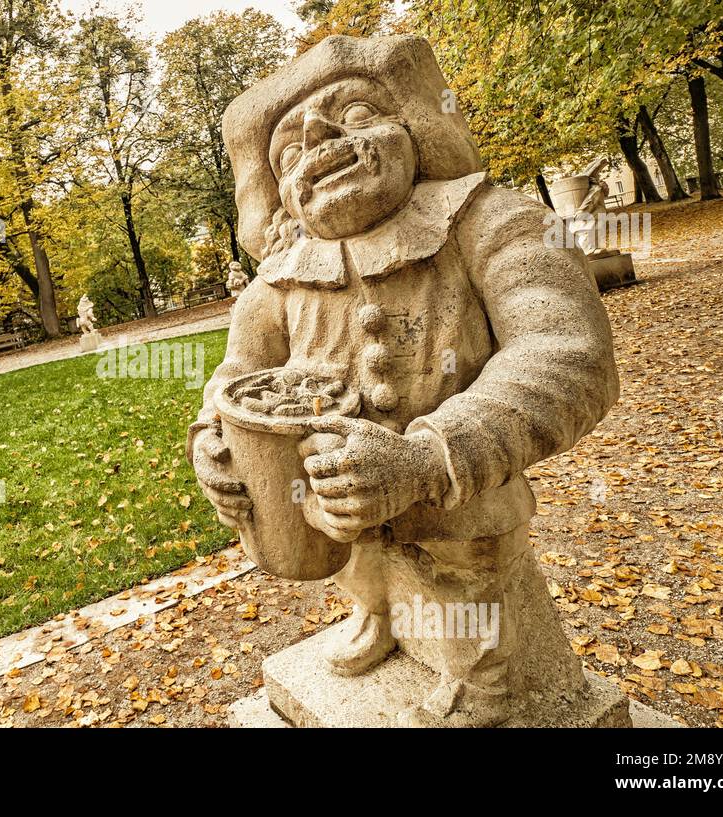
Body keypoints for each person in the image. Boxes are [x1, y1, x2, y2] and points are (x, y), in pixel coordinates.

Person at [188, 35, 618, 726]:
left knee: (465, 570)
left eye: (355, 113)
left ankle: (485, 684)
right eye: (289, 150)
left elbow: (568, 350)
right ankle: (377, 612)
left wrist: (428, 457)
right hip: (329, 494)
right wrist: (215, 440)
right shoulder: (275, 283)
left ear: (416, 127)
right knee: (357, 559)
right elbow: (236, 378)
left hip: (460, 492)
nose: (321, 140)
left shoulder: (487, 221)